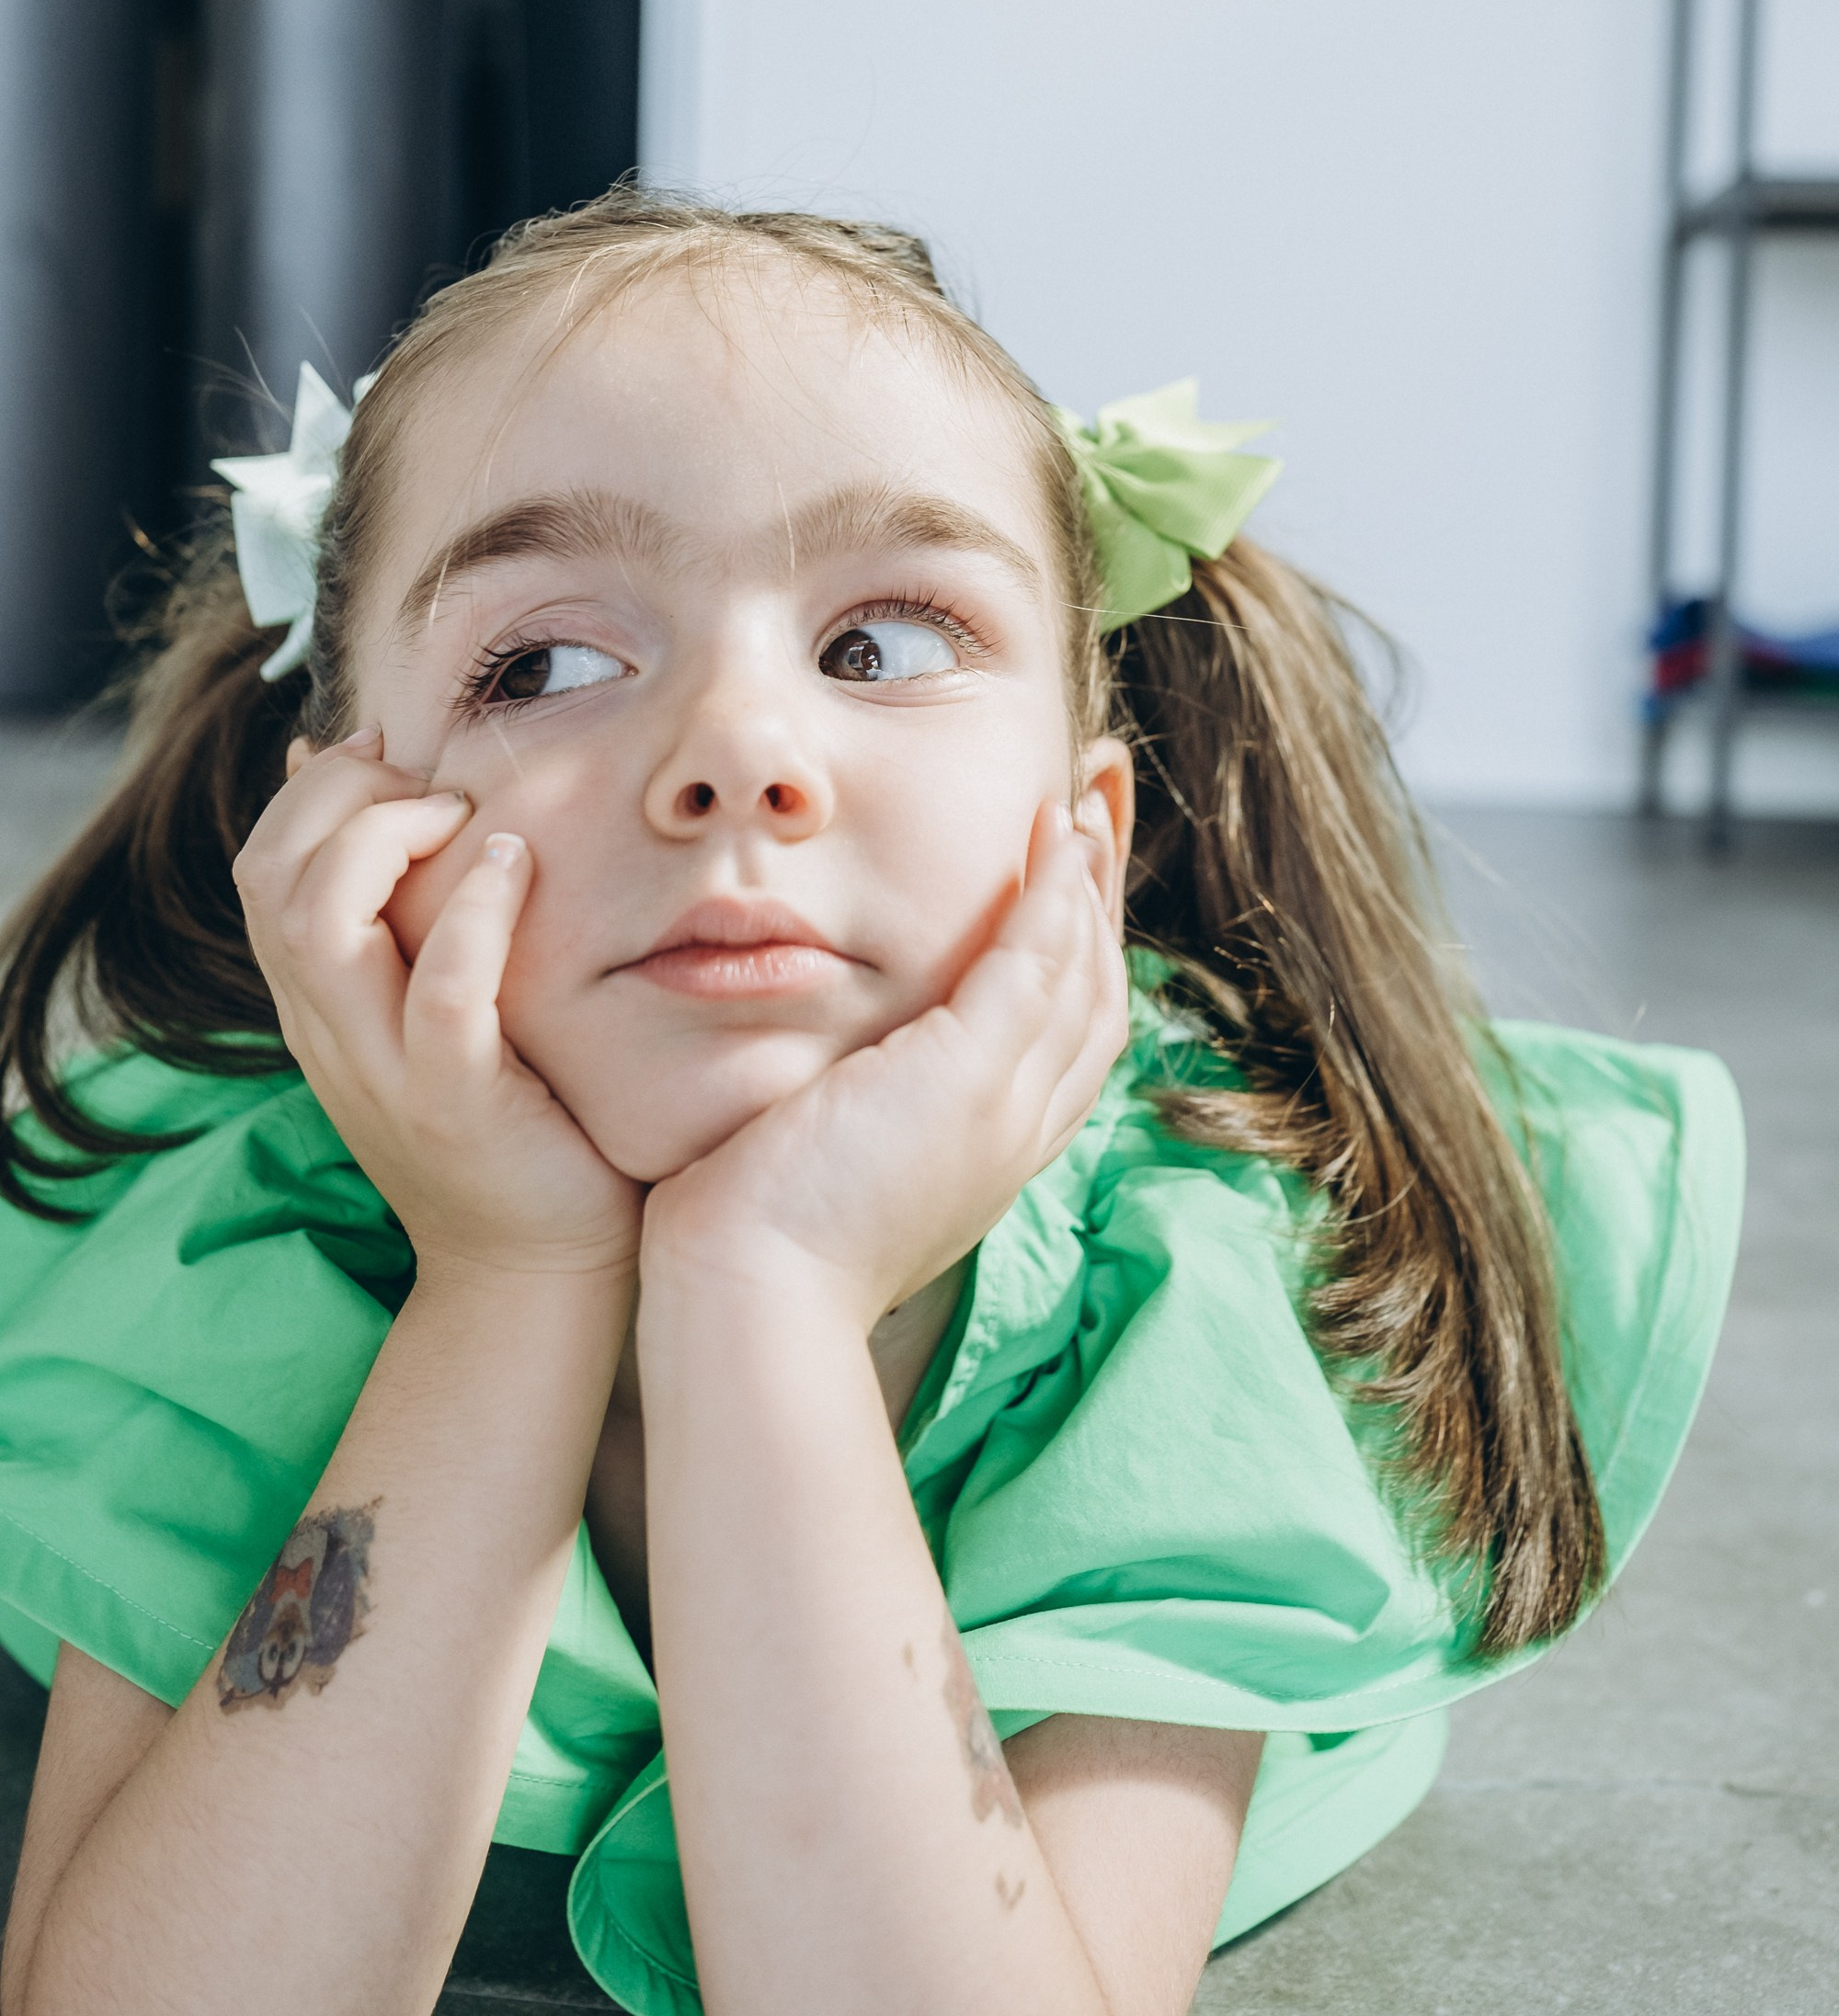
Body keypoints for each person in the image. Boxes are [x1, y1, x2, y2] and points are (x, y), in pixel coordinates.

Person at [0, 194, 1741, 2016]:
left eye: (884, 646)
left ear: (1084, 845)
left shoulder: (1200, 1292)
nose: (739, 753)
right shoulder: (222, 1238)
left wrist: (769, 1298)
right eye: (548, 664)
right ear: (333, 834)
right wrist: (503, 1276)